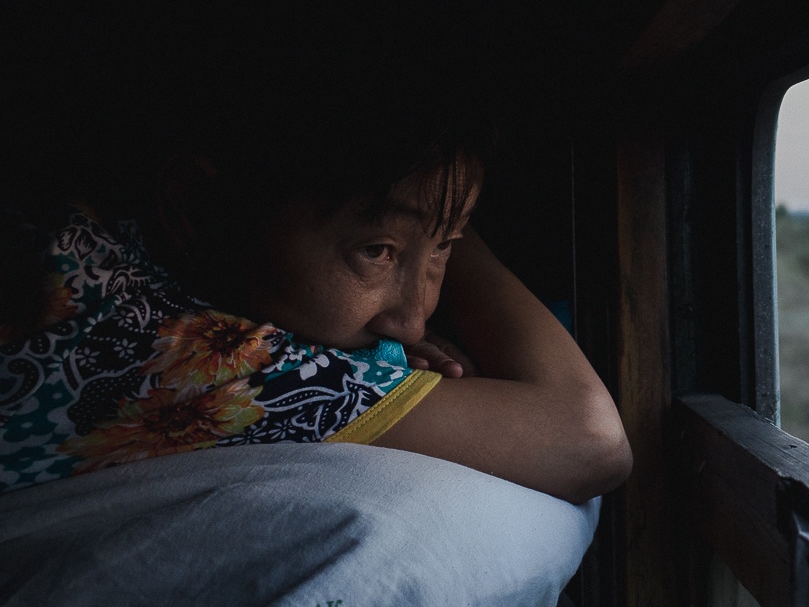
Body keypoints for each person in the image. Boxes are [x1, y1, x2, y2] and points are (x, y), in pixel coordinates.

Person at [0, 108, 631, 505]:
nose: (412, 319)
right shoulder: (181, 353)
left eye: (448, 248)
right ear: (195, 205)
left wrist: (428, 218)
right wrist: (439, 216)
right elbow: (588, 440)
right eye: (377, 249)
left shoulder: (86, 241)